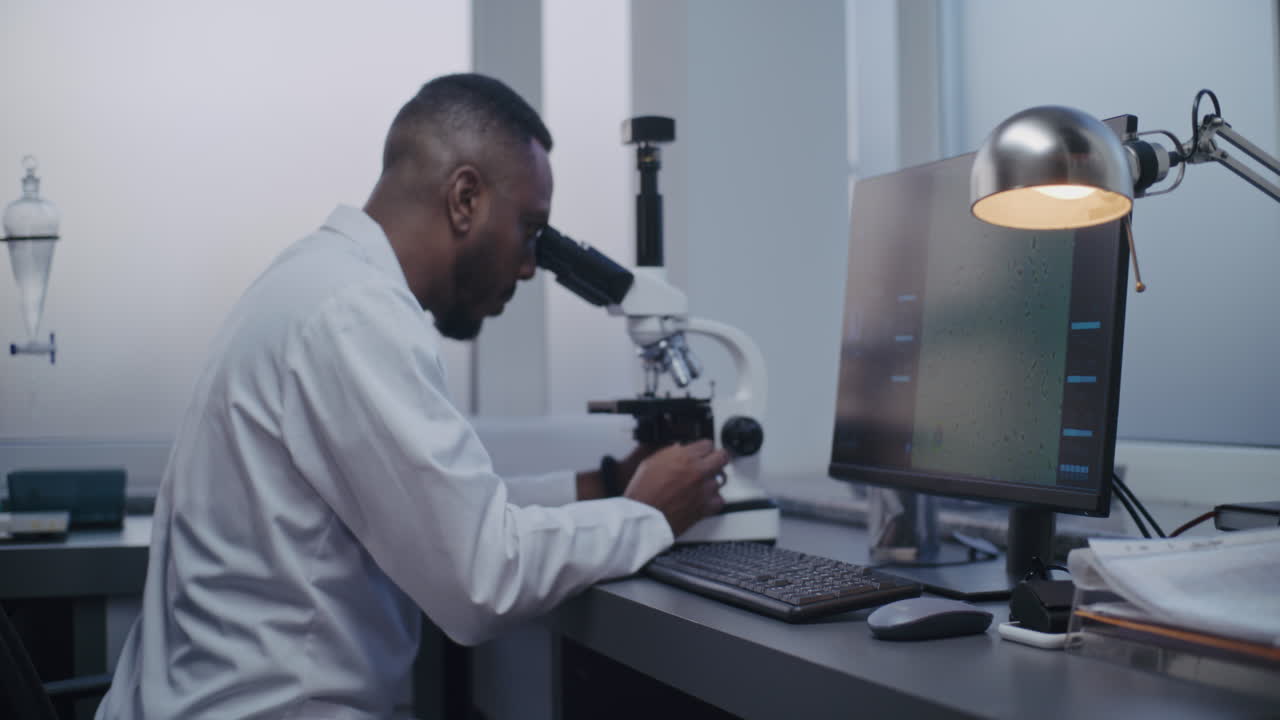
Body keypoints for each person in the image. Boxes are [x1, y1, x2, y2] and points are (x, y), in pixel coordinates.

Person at [96, 73, 728, 719]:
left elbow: (436, 509)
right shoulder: (355, 314)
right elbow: (482, 580)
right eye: (529, 229)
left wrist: (605, 486)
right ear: (465, 198)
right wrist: (648, 515)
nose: (528, 266)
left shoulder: (316, 282)